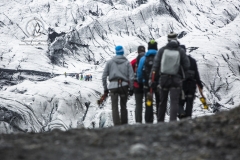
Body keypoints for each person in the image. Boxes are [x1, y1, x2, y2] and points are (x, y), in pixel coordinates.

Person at [150, 32, 190, 122]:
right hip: (176, 79)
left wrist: (151, 79)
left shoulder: (162, 50)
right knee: (174, 102)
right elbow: (187, 65)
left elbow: (155, 66)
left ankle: (160, 122)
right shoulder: (180, 50)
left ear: (168, 40)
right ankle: (173, 122)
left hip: (164, 79)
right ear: (176, 39)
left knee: (162, 102)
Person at [102, 45, 134, 126]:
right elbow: (131, 77)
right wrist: (131, 88)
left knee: (114, 107)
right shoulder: (127, 63)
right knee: (123, 106)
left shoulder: (110, 62)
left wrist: (105, 89)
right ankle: (124, 125)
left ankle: (116, 125)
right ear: (123, 52)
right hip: (124, 86)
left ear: (116, 52)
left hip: (113, 87)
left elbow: (104, 76)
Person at [137, 40, 160, 123]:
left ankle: (149, 121)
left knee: (148, 103)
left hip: (147, 84)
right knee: (159, 102)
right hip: (158, 84)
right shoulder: (160, 57)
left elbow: (139, 72)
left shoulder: (143, 58)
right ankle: (160, 120)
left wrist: (140, 81)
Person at [178, 45, 204, 119]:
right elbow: (196, 74)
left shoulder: (178, 61)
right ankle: (188, 118)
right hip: (192, 85)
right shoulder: (192, 60)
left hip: (181, 85)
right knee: (189, 102)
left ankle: (181, 114)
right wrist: (200, 84)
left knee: (179, 102)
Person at [130, 45, 145, 123]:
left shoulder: (133, 62)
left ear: (137, 52)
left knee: (138, 105)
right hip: (147, 86)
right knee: (148, 104)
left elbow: (129, 74)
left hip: (137, 86)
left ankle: (138, 122)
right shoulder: (147, 60)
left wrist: (131, 87)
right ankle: (149, 122)